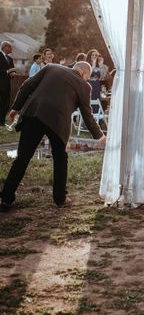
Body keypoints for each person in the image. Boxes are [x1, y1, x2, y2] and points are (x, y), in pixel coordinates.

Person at [0, 62, 106, 209]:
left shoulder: (51, 67)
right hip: (57, 121)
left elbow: (27, 85)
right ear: (84, 74)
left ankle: (6, 197)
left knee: (23, 157)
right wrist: (100, 137)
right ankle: (60, 198)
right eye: (87, 78)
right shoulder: (84, 85)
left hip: (34, 114)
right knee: (60, 158)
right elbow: (87, 115)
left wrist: (15, 108)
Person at [0, 41, 17, 125]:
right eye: (10, 47)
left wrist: (13, 74)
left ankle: (2, 122)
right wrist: (7, 71)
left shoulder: (10, 59)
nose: (12, 49)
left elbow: (12, 69)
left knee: (5, 104)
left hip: (7, 85)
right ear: (5, 47)